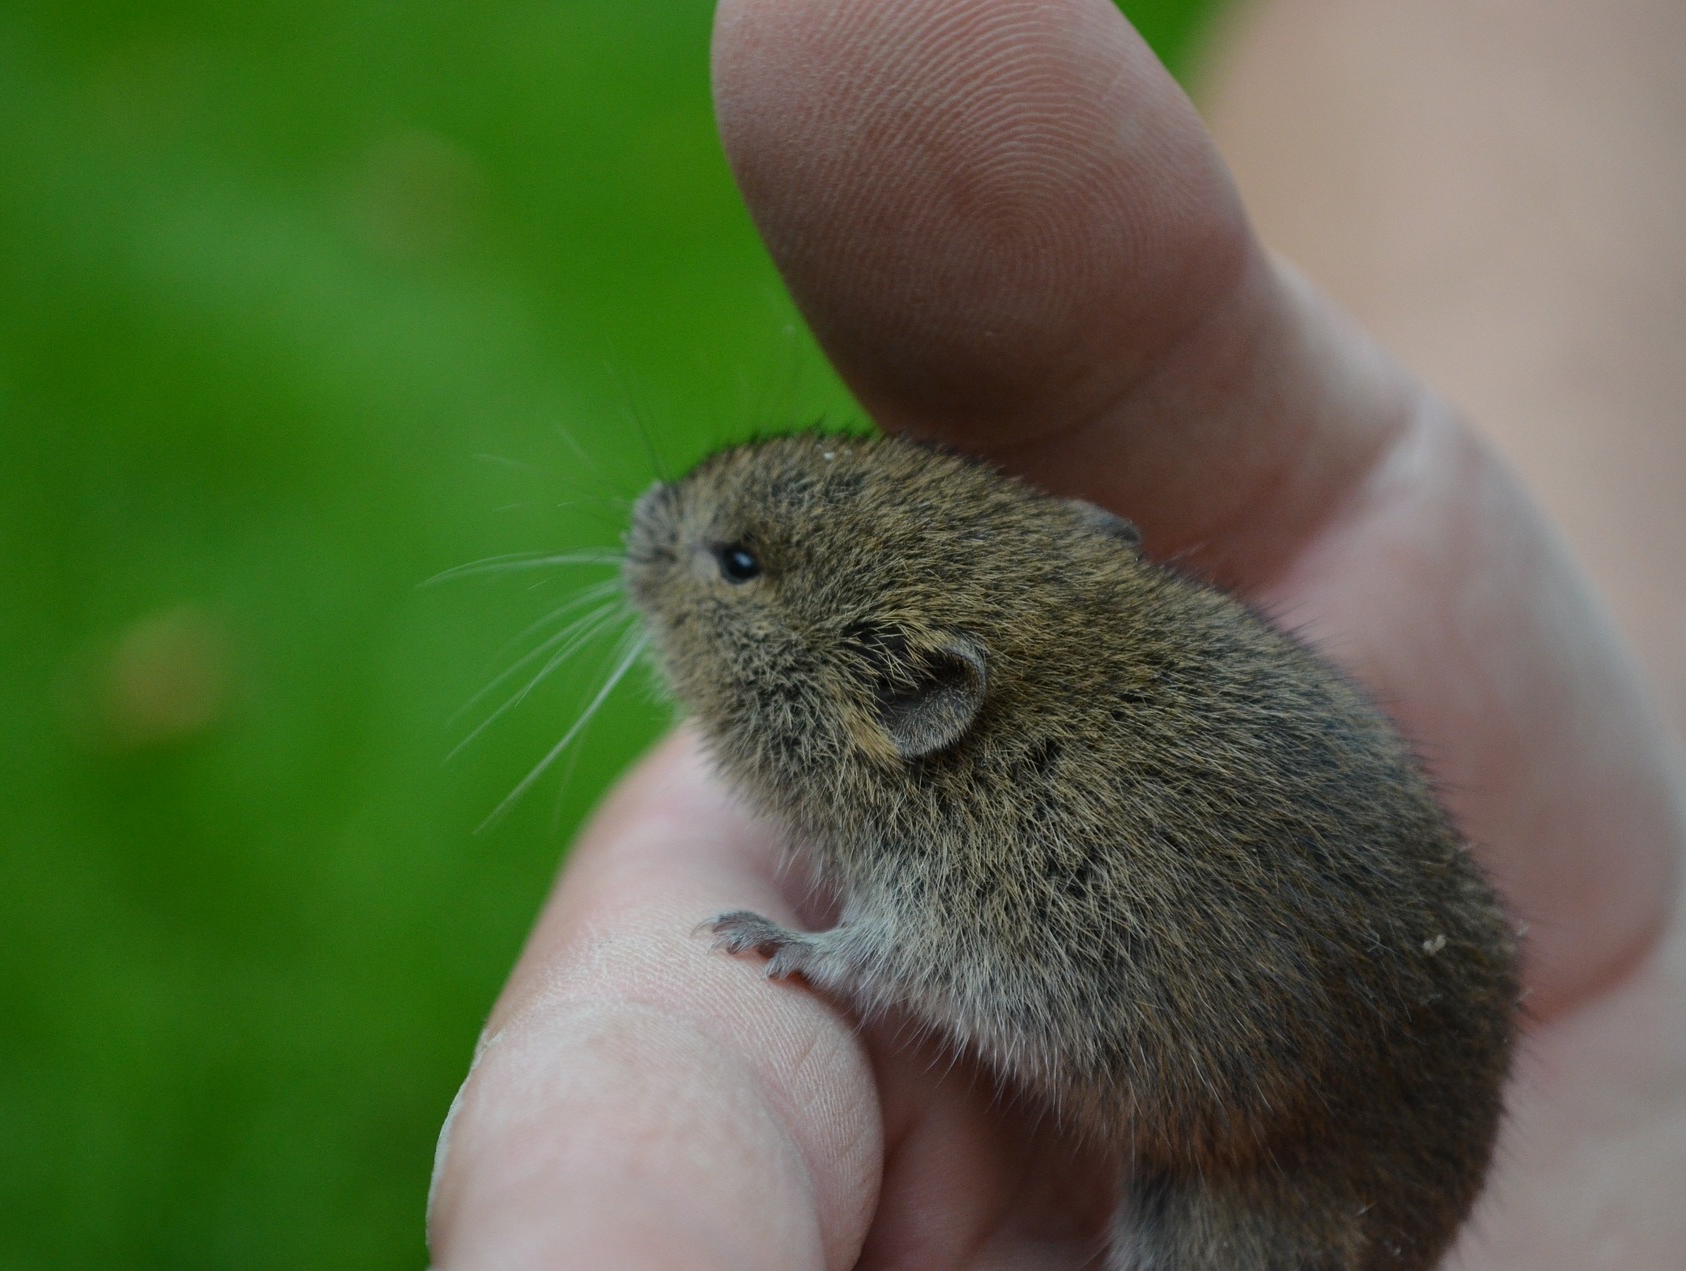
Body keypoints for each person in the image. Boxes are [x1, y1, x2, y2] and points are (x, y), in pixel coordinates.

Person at [427, 0, 1686, 1264]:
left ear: (914, 699)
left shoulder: (997, 832)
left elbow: (992, 958)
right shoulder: (1039, 696)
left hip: (1290, 1185)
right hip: (1358, 1067)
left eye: (734, 567)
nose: (654, 528)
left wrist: (846, 950)